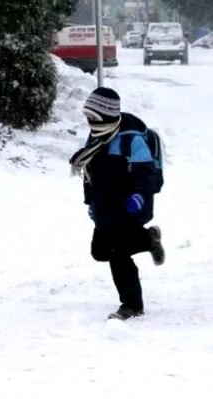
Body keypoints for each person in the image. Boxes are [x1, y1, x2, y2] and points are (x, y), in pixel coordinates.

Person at [69, 87, 166, 320]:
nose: (89, 121)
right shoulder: (95, 138)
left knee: (116, 253)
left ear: (106, 114)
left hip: (130, 206)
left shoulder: (131, 139)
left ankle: (132, 305)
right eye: (88, 117)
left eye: (93, 117)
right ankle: (147, 239)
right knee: (99, 251)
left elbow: (146, 172)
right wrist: (90, 201)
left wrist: (139, 196)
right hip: (104, 205)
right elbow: (89, 173)